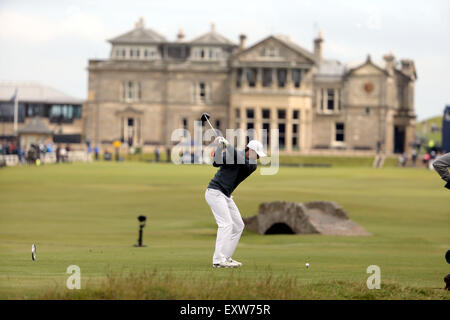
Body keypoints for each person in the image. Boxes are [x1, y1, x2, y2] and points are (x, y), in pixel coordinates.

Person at [205, 137, 266, 268]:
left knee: (238, 225)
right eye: (257, 154)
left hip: (225, 195)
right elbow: (216, 162)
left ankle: (226, 257)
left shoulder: (252, 165)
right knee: (226, 224)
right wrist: (221, 146)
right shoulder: (235, 154)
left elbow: (241, 161)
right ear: (249, 150)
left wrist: (229, 146)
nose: (258, 158)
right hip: (215, 192)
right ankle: (218, 259)